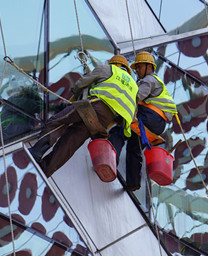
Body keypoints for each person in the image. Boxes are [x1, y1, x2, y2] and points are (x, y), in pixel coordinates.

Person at [29, 55, 138, 176]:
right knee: (71, 142)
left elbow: (82, 83)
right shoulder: (134, 87)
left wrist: (74, 95)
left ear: (115, 63)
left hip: (94, 107)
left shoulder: (109, 69)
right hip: (103, 123)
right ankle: (46, 169)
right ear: (126, 69)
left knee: (57, 121)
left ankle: (37, 152)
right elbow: (132, 112)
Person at [108, 51, 177, 191]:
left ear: (148, 66)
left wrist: (119, 112)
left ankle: (110, 162)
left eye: (139, 67)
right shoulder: (158, 84)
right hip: (157, 123)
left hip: (150, 116)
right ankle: (133, 183)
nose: (137, 70)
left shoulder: (150, 80)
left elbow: (136, 97)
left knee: (118, 131)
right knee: (134, 147)